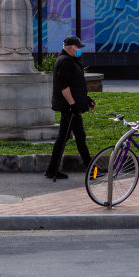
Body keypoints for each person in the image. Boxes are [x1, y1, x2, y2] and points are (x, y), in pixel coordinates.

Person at [45, 36, 95, 182]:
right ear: (70, 47)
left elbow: (77, 85)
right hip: (69, 108)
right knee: (80, 138)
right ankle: (93, 171)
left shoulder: (71, 60)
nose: (79, 49)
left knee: (63, 138)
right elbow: (64, 87)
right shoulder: (65, 62)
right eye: (78, 47)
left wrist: (87, 100)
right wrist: (73, 105)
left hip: (71, 106)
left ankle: (51, 170)